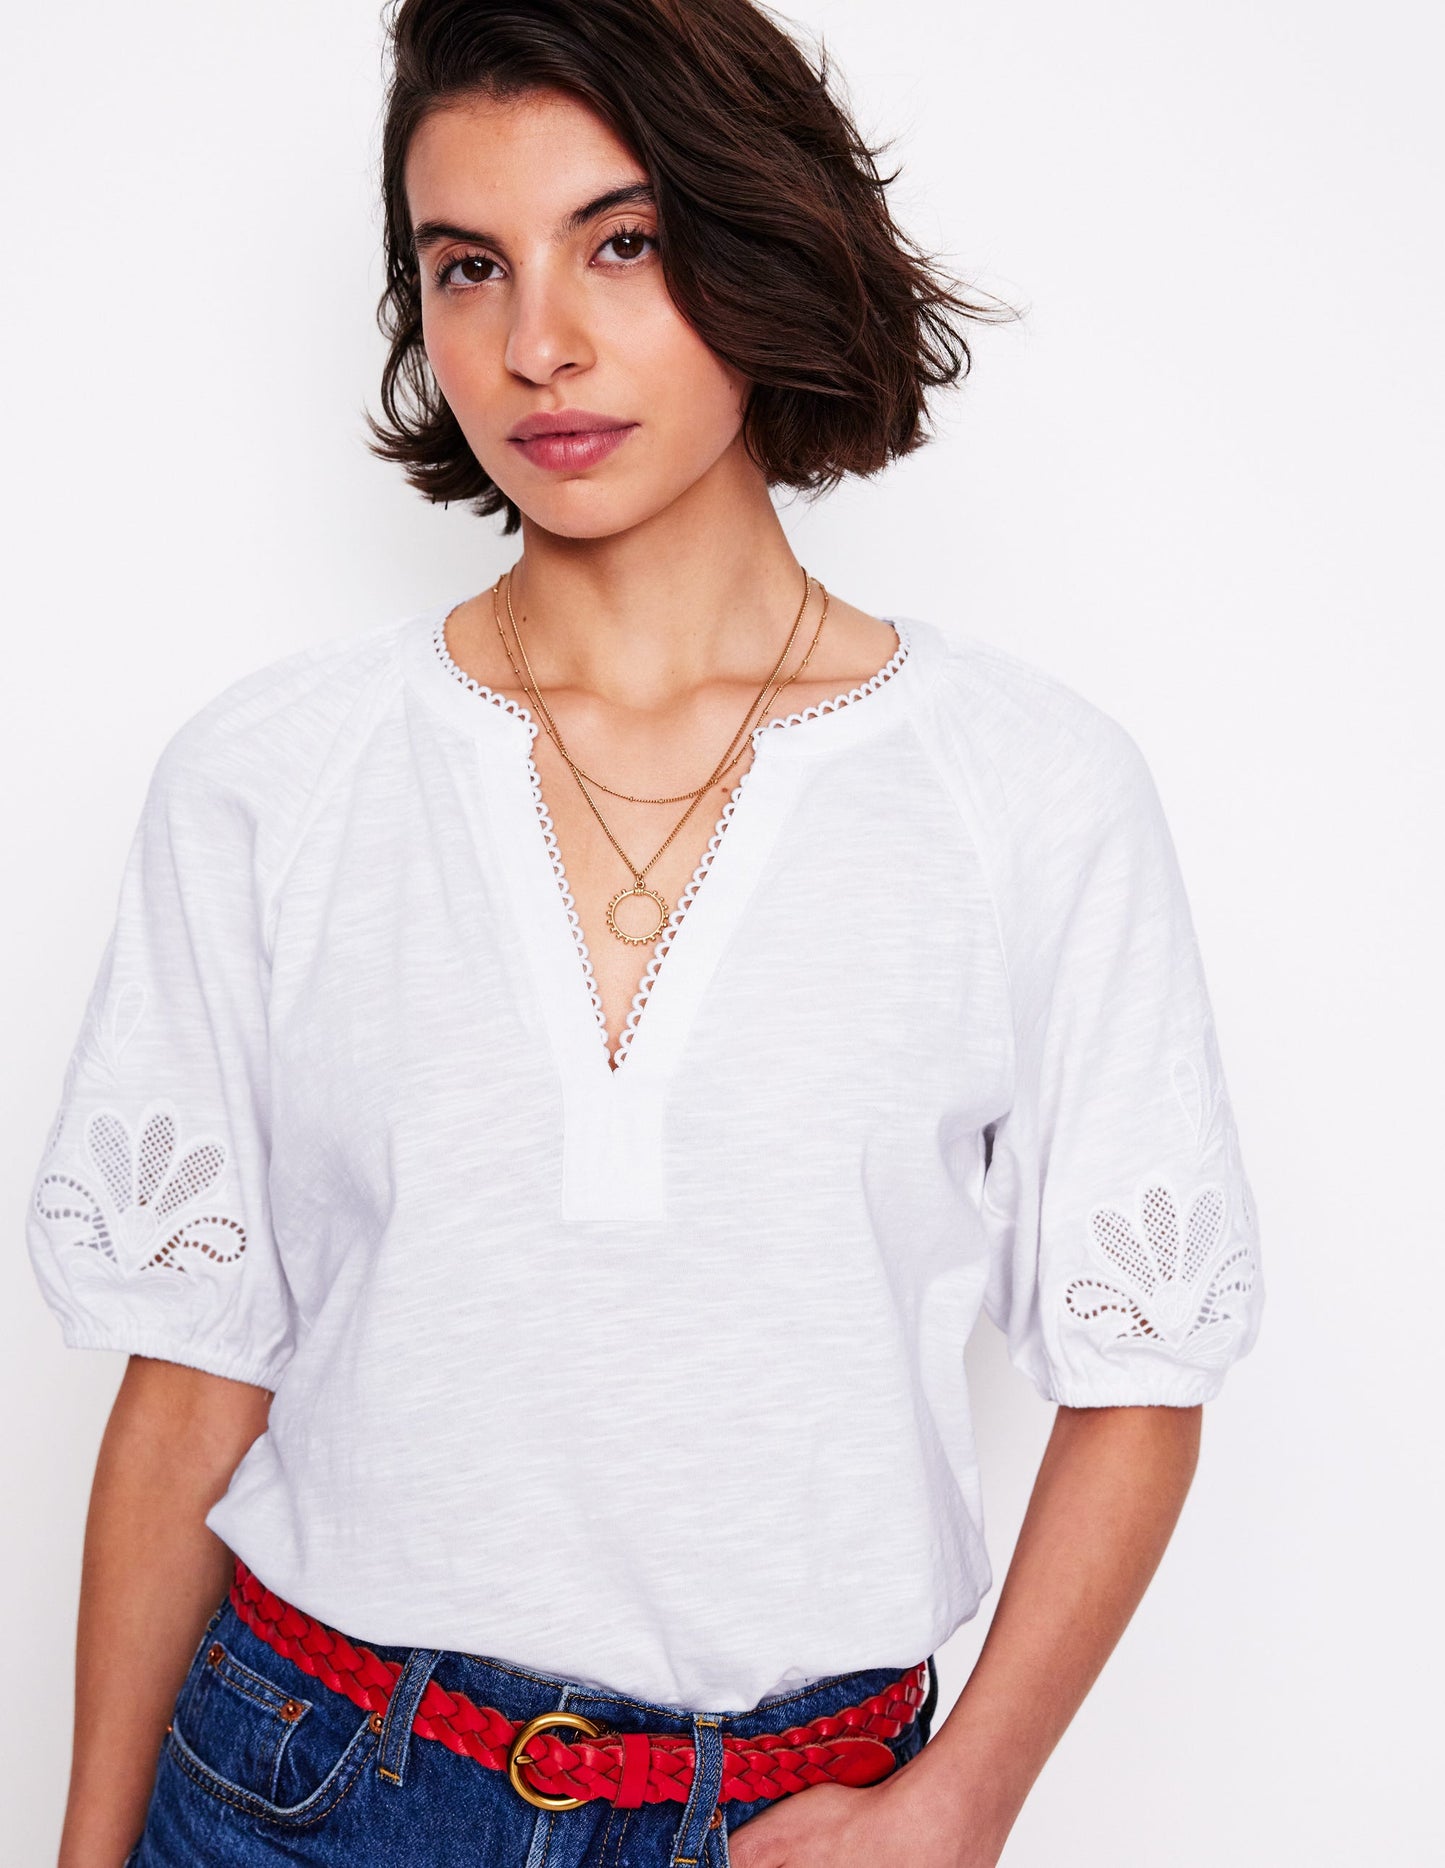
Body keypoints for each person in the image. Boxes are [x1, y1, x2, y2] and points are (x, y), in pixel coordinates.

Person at [26, 3, 1265, 1864]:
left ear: (764, 248)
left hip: (795, 1814)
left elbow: (1135, 1381)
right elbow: (195, 1371)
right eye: (467, 266)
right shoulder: (271, 778)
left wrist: (960, 1804)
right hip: (303, 1783)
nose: (536, 343)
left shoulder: (1024, 791)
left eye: (621, 242)